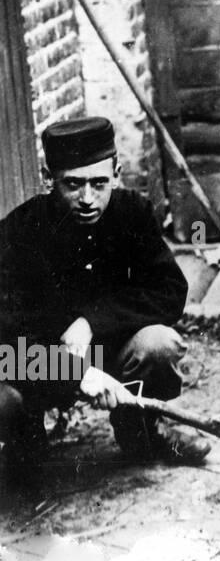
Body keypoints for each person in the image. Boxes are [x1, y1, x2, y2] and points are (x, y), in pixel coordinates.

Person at [0, 118, 209, 484]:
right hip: (40, 364)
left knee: (159, 343)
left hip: (111, 352)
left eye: (99, 183)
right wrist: (74, 373)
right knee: (6, 406)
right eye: (73, 184)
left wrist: (92, 322)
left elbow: (168, 289)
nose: (87, 199)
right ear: (48, 177)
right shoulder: (18, 231)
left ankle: (142, 432)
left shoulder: (132, 213)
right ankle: (26, 443)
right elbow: (6, 334)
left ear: (116, 172)